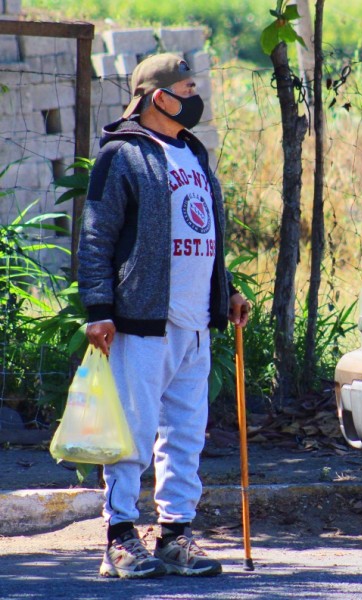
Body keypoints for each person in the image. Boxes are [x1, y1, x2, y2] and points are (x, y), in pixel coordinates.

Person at [77, 53, 250, 579]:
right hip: (141, 321)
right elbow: (95, 238)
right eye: (188, 88)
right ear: (160, 97)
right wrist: (100, 309)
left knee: (185, 433)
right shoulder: (123, 157)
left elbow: (203, 234)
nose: (196, 98)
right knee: (132, 430)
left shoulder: (193, 153)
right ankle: (120, 537)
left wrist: (228, 292)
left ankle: (175, 534)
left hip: (196, 321)